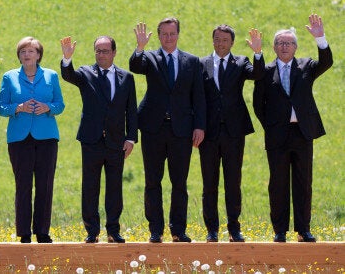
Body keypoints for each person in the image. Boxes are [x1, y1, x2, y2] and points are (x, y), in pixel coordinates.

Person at [253, 14, 332, 243]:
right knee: (277, 183)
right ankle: (279, 230)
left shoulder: (306, 65)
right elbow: (259, 104)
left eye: (288, 43)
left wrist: (320, 39)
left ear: (296, 47)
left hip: (302, 133)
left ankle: (303, 230)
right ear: (274, 47)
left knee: (303, 182)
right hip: (277, 135)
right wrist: (271, 126)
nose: (284, 46)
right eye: (280, 43)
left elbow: (326, 63)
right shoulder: (266, 72)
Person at [129, 18, 205, 243]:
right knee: (153, 180)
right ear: (159, 35)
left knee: (179, 182)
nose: (168, 38)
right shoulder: (150, 57)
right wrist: (140, 47)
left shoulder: (192, 61)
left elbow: (198, 96)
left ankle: (178, 230)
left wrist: (199, 125)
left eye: (172, 34)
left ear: (178, 34)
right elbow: (135, 66)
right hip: (153, 128)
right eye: (164, 34)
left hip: (181, 129)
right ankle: (155, 229)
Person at [61, 35, 138, 244]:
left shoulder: (126, 77)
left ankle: (113, 230)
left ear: (114, 52)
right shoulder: (86, 73)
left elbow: (131, 110)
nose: (101, 55)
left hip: (116, 142)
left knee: (115, 187)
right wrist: (67, 59)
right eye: (98, 51)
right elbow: (69, 75)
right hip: (91, 140)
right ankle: (91, 231)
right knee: (90, 187)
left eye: (105, 51)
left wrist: (131, 138)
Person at [198, 25, 265, 243]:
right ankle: (212, 230)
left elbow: (257, 74)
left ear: (232, 42)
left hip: (234, 132)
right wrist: (197, 126)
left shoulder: (241, 62)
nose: (220, 43)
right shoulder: (201, 64)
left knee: (233, 182)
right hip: (208, 133)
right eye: (217, 39)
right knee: (209, 183)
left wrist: (257, 53)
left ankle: (234, 228)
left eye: (225, 40)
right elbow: (196, 97)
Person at [0, 37, 65, 243]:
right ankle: (24, 233)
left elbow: (60, 104)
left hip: (47, 137)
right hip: (19, 139)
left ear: (38, 54)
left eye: (31, 51)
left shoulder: (51, 76)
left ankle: (42, 231)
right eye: (23, 52)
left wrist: (49, 107)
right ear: (19, 56)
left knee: (45, 185)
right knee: (23, 185)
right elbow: (0, 106)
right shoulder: (9, 77)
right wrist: (17, 108)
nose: (26, 55)